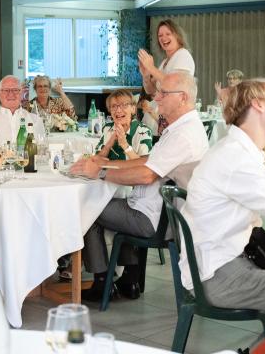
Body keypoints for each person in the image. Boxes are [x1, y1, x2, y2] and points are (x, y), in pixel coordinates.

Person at [70, 72, 208, 301]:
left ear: (183, 97)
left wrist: (101, 172)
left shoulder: (183, 135)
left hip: (158, 219)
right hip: (159, 212)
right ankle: (129, 279)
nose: (157, 98)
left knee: (87, 208)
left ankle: (102, 283)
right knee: (108, 203)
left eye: (164, 93)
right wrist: (104, 163)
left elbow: (145, 175)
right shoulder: (182, 128)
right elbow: (148, 161)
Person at [179, 78, 265, 316]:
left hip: (242, 257)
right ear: (258, 105)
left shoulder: (238, 151)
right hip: (221, 275)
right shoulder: (236, 159)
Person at [138, 19, 195, 135]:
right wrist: (146, 75)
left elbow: (174, 84)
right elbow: (151, 91)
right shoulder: (164, 62)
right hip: (157, 117)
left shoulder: (183, 55)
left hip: (173, 116)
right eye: (160, 35)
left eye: (168, 34)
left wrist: (151, 67)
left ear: (177, 36)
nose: (163, 38)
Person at [0, 75, 45, 146]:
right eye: (6, 90)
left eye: (15, 90)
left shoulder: (36, 121)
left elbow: (43, 149)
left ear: (21, 93)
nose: (11, 94)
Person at [96, 90, 152, 161]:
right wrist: (109, 143)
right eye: (114, 106)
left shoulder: (144, 131)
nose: (118, 110)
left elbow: (144, 164)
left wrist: (125, 145)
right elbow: (97, 160)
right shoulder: (107, 127)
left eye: (124, 105)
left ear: (133, 109)